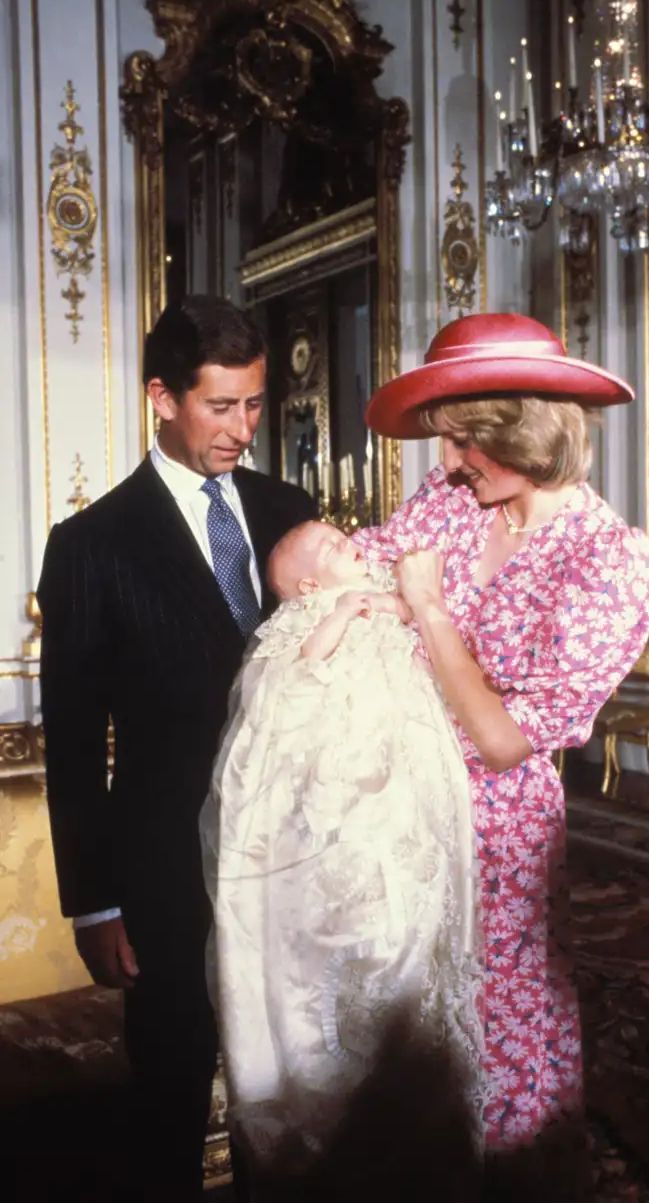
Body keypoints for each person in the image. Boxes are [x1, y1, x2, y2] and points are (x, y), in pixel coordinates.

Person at [354, 312, 649, 1194]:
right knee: (408, 1025)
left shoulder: (608, 561)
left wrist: (429, 611)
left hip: (500, 835)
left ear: (518, 430)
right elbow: (351, 569)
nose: (444, 463)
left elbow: (499, 739)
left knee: (505, 1036)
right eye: (446, 442)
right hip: (400, 813)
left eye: (461, 442)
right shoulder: (450, 505)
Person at [37, 295, 315, 1201]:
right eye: (220, 406)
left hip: (297, 858)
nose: (243, 428)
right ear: (162, 396)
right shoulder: (90, 546)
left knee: (301, 1083)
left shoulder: (291, 511)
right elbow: (76, 747)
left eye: (254, 403)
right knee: (168, 1090)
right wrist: (94, 905)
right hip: (163, 874)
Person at [200, 519, 483, 1184]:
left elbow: (421, 618)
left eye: (339, 533)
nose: (344, 539)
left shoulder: (380, 589)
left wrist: (390, 603)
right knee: (349, 912)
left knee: (413, 906)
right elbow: (300, 670)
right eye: (326, 546)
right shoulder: (306, 617)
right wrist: (343, 611)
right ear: (306, 586)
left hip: (401, 762)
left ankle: (418, 1100)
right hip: (338, 777)